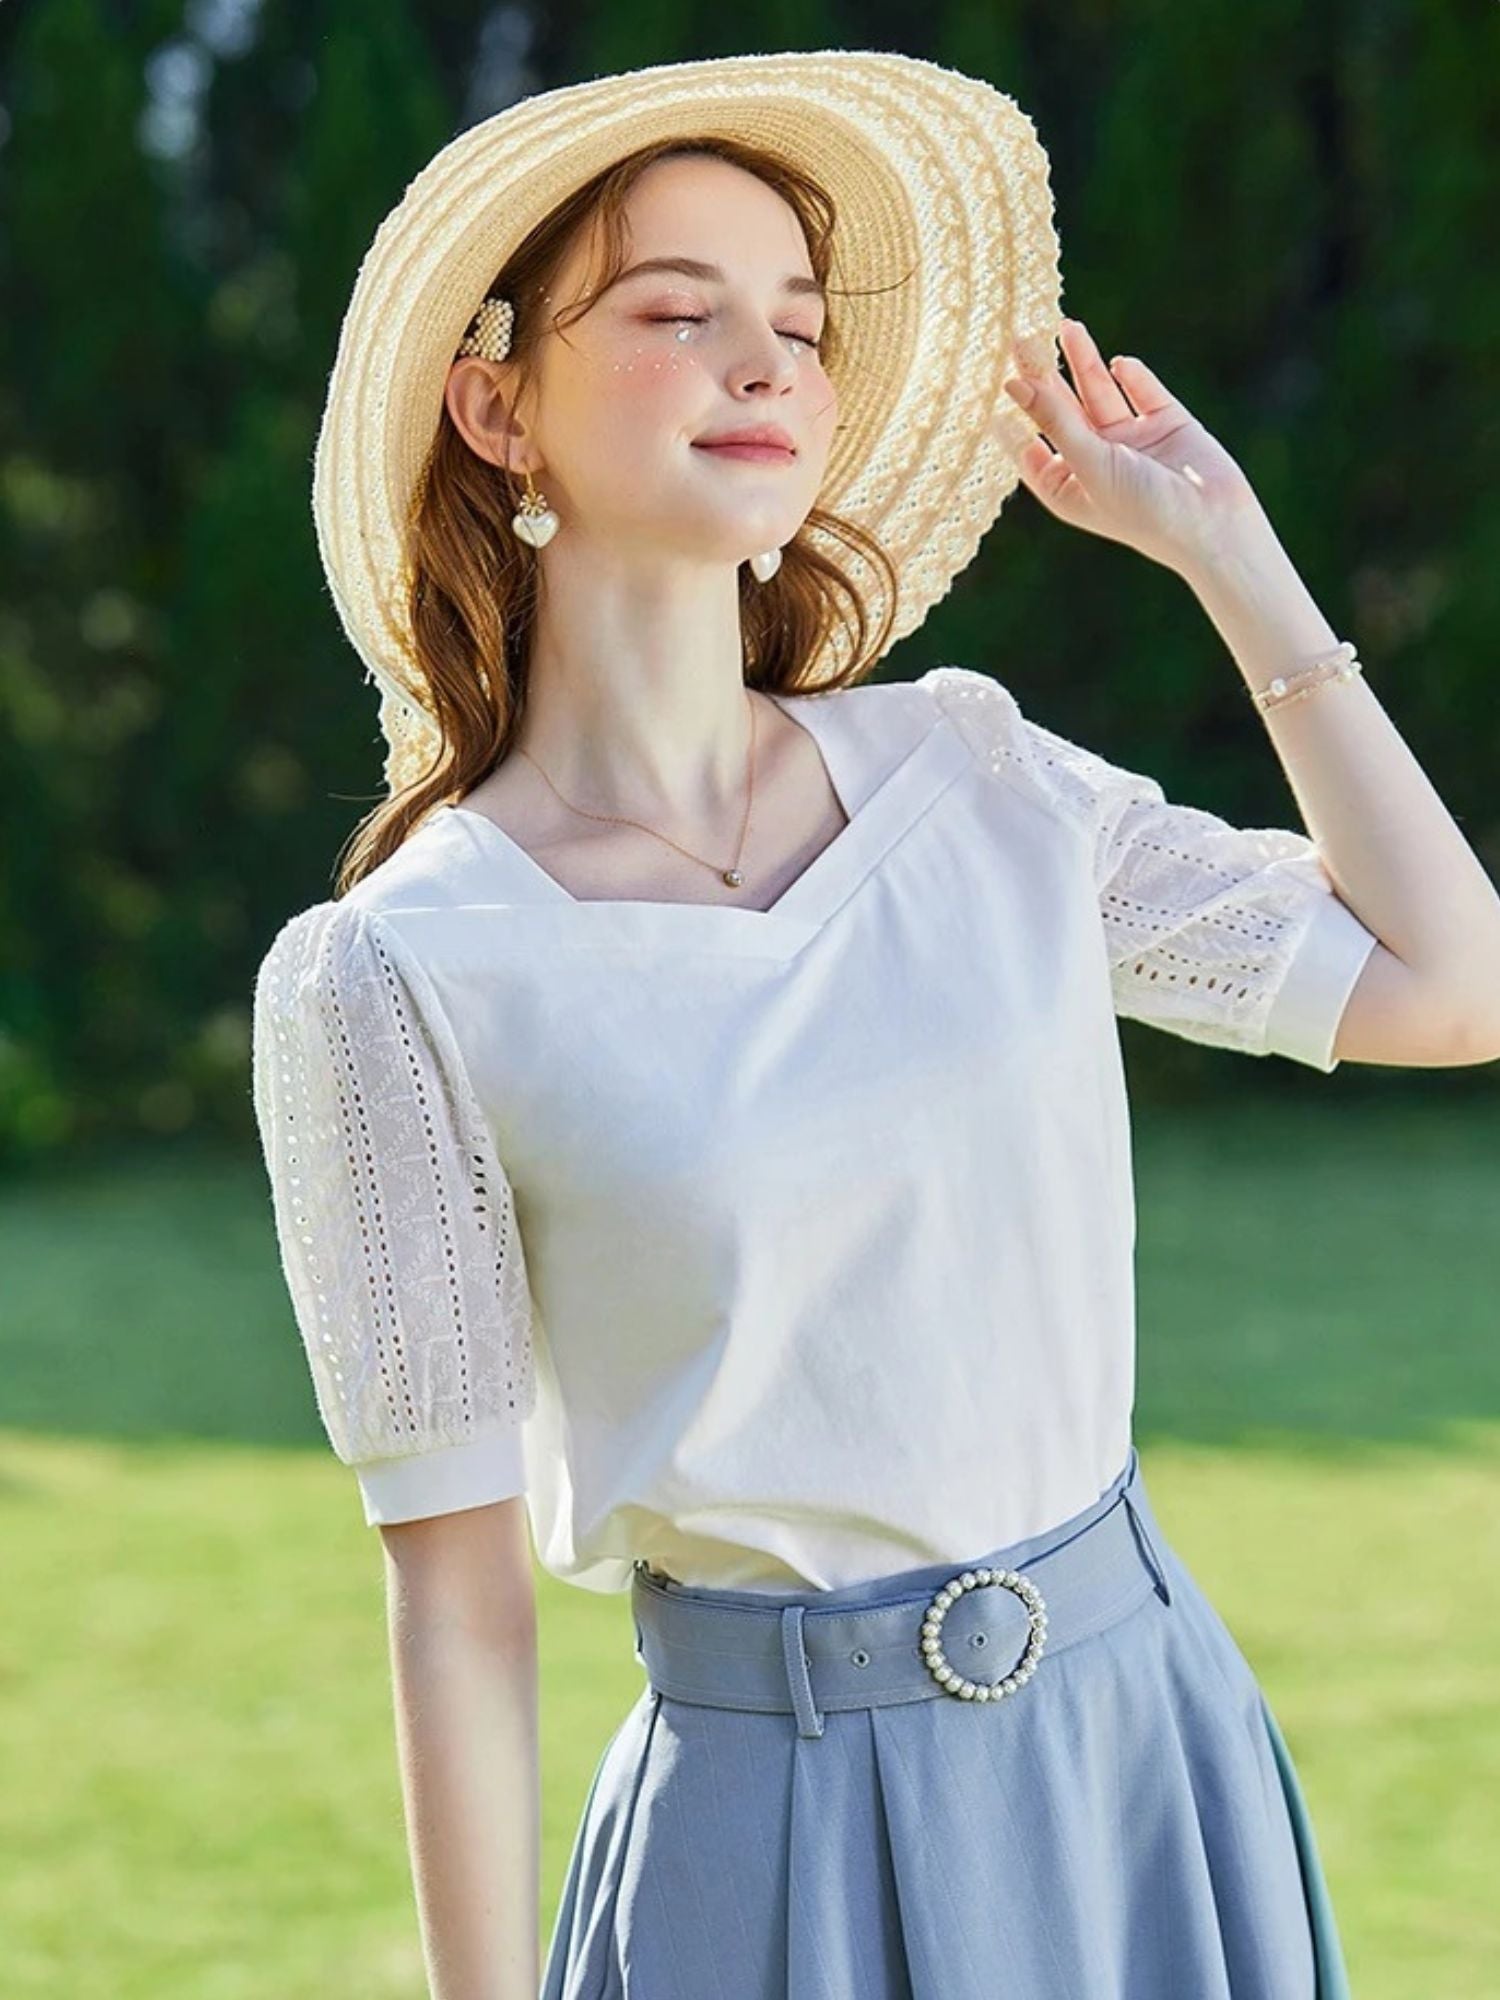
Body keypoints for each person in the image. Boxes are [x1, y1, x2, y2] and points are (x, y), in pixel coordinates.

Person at [249, 48, 1500, 2000]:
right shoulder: (402, 971)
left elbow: (1451, 980)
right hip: (762, 1851)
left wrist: (1230, 558)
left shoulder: (981, 783)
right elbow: (459, 1601)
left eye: (800, 326)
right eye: (680, 313)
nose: (762, 363)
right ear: (498, 406)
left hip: (1141, 1763)